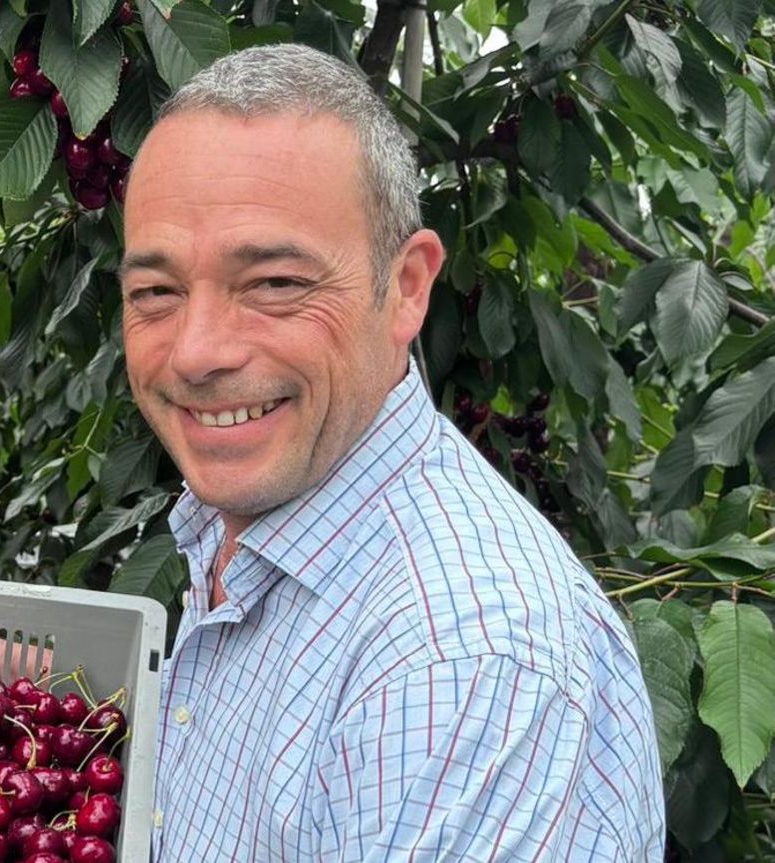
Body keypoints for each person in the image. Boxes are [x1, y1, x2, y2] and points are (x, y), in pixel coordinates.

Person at [117, 44, 665, 860]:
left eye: (275, 284)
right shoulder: (251, 521)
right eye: (155, 292)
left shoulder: (460, 664)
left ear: (407, 286)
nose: (196, 352)